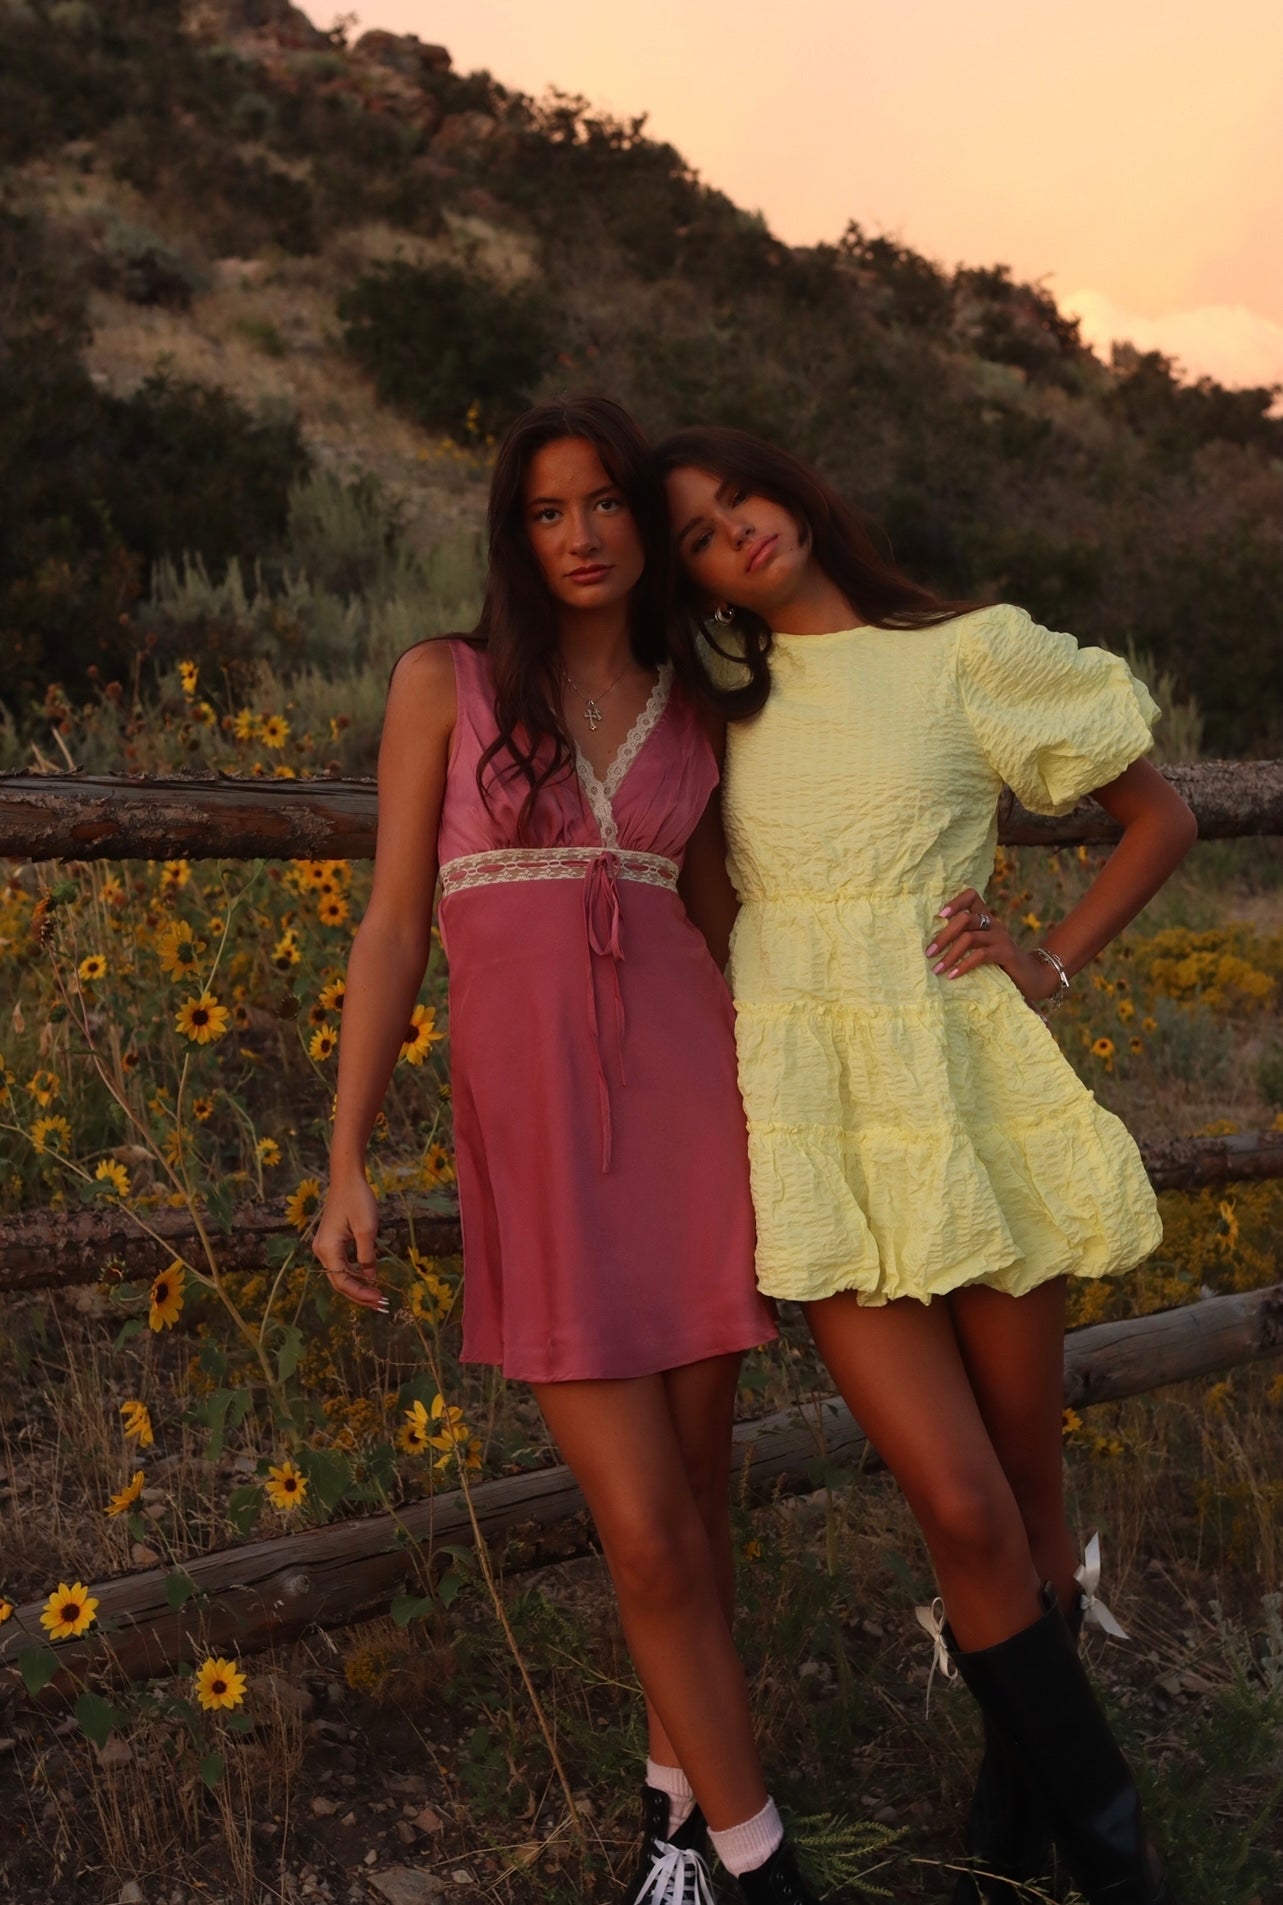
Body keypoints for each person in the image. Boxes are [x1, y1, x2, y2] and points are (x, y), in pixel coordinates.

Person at [655, 424, 1197, 1905]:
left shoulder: (967, 649)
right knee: (960, 1507)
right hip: (824, 1124)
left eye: (741, 497)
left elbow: (1159, 814)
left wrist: (1053, 963)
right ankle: (1119, 1851)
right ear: (694, 582)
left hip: (965, 1098)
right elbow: (707, 926)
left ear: (799, 487)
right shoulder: (718, 717)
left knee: (1028, 1480)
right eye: (699, 534)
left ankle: (1017, 1822)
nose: (736, 532)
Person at [314, 398, 822, 1904]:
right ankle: (759, 1862)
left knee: (695, 1515)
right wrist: (346, 1153)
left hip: (694, 1121)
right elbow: (397, 923)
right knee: (649, 1533)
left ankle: (676, 1829)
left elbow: (728, 929)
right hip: (536, 1141)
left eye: (604, 504)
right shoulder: (445, 682)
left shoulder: (700, 706)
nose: (582, 535)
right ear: (511, 533)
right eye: (547, 511)